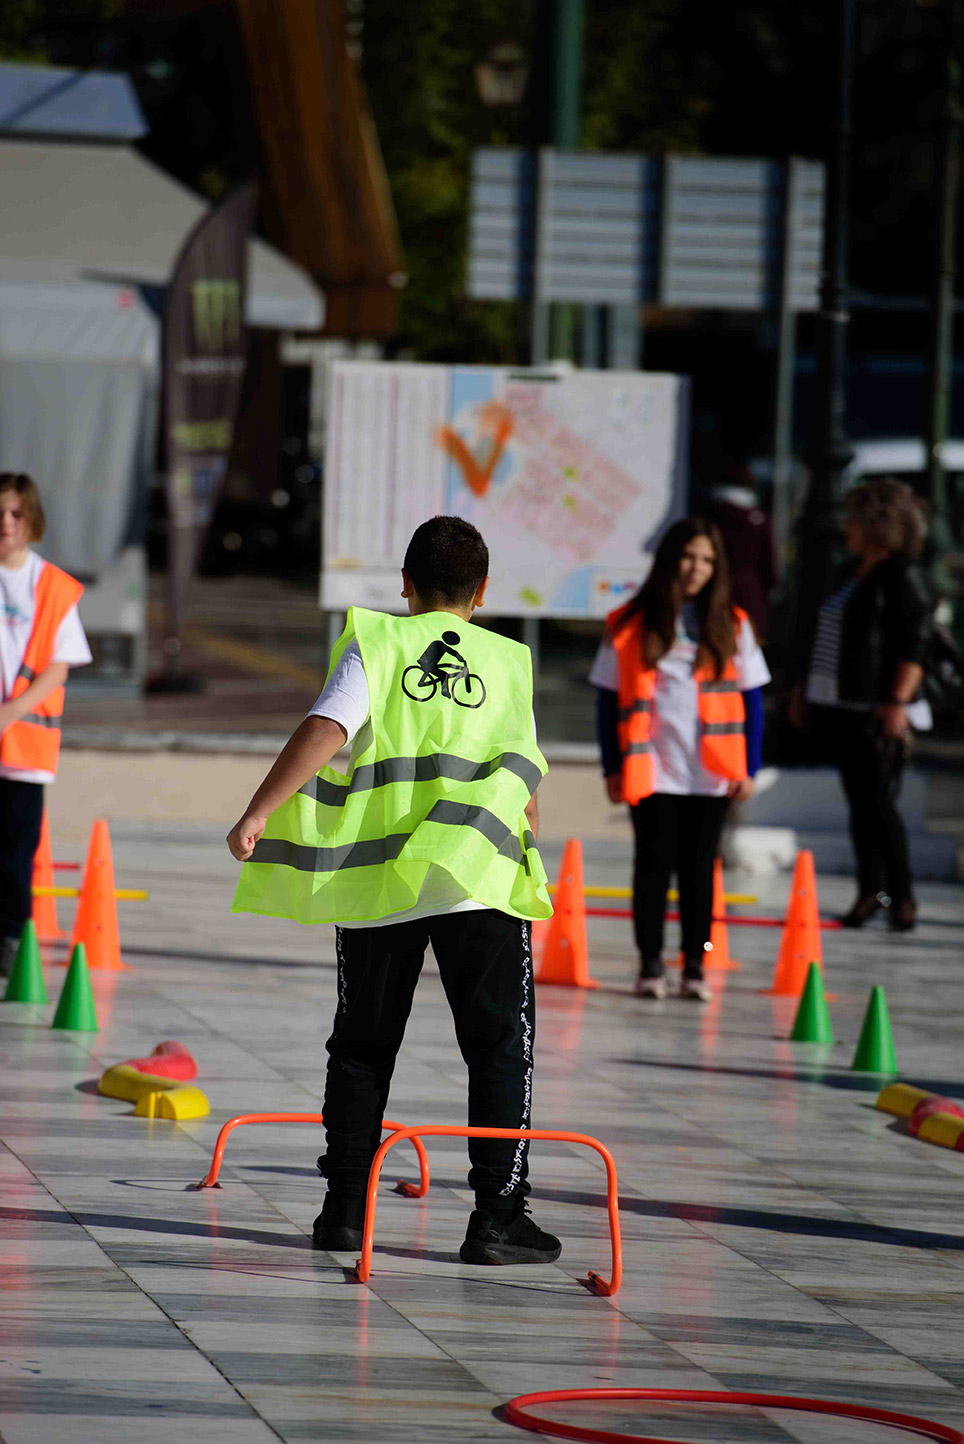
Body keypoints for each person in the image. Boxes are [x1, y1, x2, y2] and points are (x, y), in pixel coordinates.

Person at [227, 516, 559, 1266]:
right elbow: (523, 773)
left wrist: (258, 812)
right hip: (477, 876)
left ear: (405, 584)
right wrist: (533, 858)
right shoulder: (508, 661)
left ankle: (344, 1210)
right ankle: (498, 1217)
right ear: (482, 592)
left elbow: (326, 729)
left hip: (381, 881)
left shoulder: (377, 643)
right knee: (500, 1048)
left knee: (363, 1044)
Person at [590, 517, 769, 1000]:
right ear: (670, 559)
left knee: (699, 871)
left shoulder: (733, 624)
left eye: (707, 560)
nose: (697, 568)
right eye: (689, 556)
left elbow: (752, 700)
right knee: (652, 867)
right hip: (651, 767)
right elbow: (607, 699)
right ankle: (650, 965)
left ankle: (694, 965)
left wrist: (749, 767)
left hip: (712, 771)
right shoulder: (628, 622)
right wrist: (611, 766)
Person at [791, 477, 932, 932]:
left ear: (876, 525)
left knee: (879, 804)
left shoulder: (901, 574)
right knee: (860, 803)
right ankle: (872, 891)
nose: (845, 527)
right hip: (840, 704)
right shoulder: (850, 570)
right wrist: (803, 689)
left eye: (853, 519)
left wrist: (897, 702)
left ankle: (901, 895)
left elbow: (915, 643)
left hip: (877, 708)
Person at [0, 472, 91, 976]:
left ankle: (11, 943)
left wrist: (11, 712)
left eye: (16, 513)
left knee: (16, 854)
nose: (6, 523)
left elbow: (59, 665)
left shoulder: (52, 586)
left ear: (31, 520)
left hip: (25, 748)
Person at [702, 463, 776, 639]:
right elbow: (769, 566)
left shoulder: (710, 514)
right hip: (750, 594)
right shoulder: (759, 518)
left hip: (714, 592)